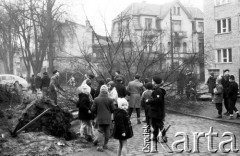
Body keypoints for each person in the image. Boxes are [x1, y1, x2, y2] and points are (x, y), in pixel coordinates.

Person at [91, 85, 115, 152]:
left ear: (100, 91)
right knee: (107, 131)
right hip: (107, 118)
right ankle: (105, 145)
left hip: (100, 118)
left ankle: (100, 146)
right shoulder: (110, 100)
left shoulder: (96, 99)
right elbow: (113, 109)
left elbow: (92, 109)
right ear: (107, 91)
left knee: (100, 131)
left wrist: (97, 112)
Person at [146, 76, 166, 152]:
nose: (152, 82)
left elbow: (158, 99)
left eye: (152, 81)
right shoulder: (157, 89)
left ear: (155, 82)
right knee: (154, 124)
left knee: (159, 124)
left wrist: (149, 101)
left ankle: (163, 136)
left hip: (157, 111)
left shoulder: (158, 91)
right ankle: (155, 136)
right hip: (155, 110)